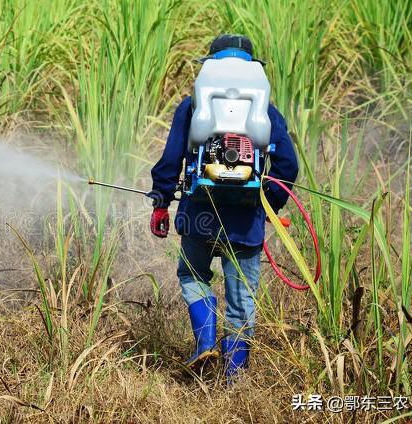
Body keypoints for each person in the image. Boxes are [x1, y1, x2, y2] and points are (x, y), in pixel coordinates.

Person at [148, 34, 299, 381]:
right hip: (245, 225)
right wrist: (266, 204)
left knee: (193, 275)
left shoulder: (193, 107)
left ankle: (204, 345)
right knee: (242, 301)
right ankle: (234, 380)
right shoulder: (267, 113)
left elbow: (171, 160)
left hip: (198, 218)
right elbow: (287, 167)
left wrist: (160, 202)